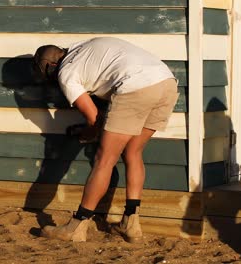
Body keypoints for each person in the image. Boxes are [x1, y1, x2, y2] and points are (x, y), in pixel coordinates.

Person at [32, 37, 179, 242]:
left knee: (104, 160)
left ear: (50, 66)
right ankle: (131, 223)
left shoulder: (66, 73)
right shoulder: (87, 44)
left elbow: (94, 117)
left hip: (135, 87)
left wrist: (89, 134)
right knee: (133, 152)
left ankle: (77, 226)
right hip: (166, 84)